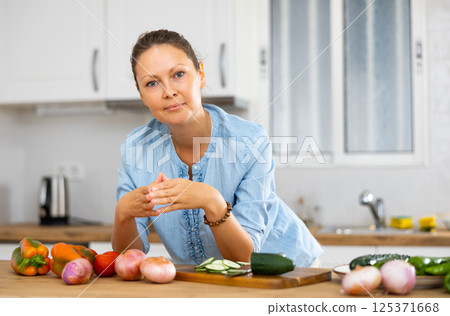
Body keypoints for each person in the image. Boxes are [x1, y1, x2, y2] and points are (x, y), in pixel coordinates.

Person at [112, 29, 323, 267]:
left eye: (178, 74)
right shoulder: (136, 149)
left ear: (201, 74)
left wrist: (212, 201)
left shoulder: (249, 141)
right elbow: (129, 257)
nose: (169, 91)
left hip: (288, 271)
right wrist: (123, 214)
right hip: (208, 281)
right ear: (141, 94)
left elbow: (244, 259)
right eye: (152, 83)